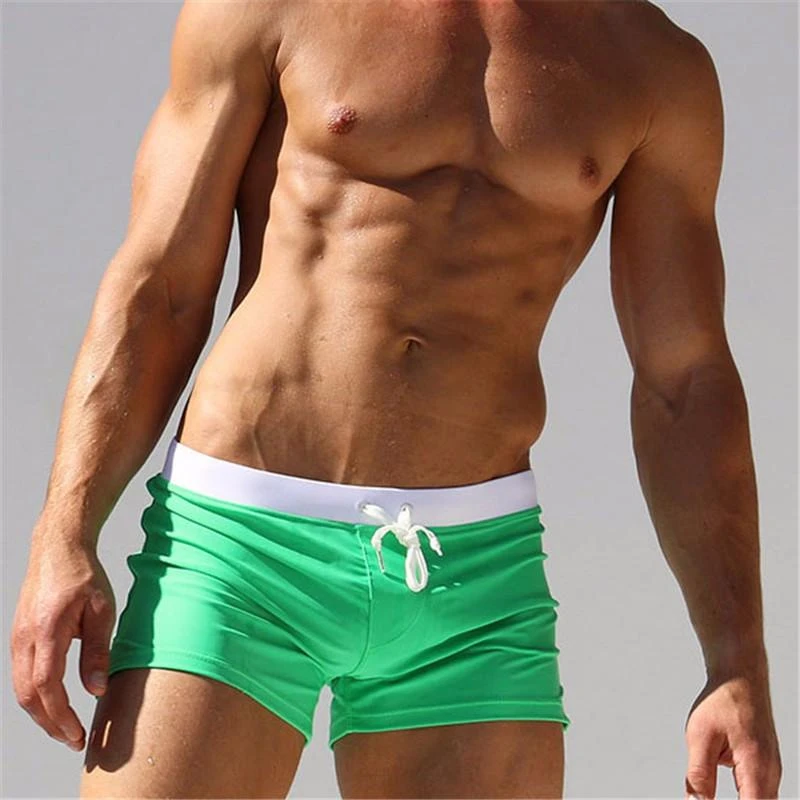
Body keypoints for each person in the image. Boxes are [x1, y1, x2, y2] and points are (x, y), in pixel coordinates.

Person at [10, 1, 782, 798]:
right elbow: (161, 285)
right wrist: (64, 531)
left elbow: (685, 380)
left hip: (473, 579)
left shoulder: (652, 65)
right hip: (240, 547)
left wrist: (736, 659)